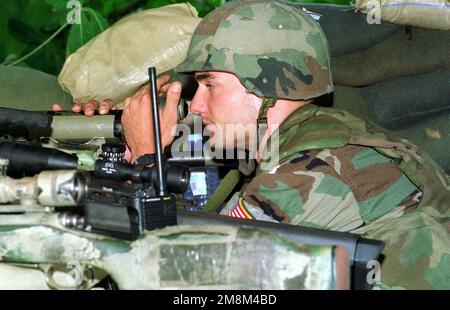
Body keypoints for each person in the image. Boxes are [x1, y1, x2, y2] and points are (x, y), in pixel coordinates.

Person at [58, 0, 449, 289]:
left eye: (210, 85)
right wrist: (101, 138)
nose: (196, 104)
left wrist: (147, 158)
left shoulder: (317, 174)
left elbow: (183, 275)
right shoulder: (316, 135)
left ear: (269, 89)